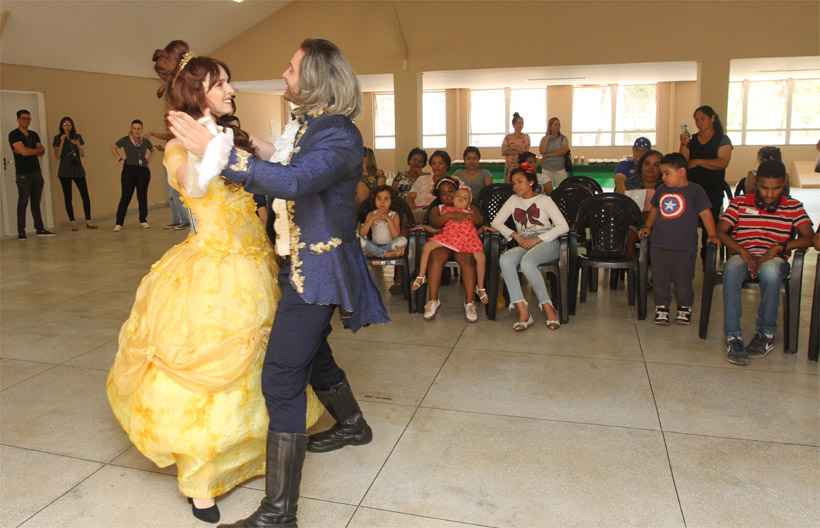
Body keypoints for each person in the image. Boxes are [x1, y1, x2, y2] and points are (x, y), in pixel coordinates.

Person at [168, 38, 389, 528]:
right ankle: (353, 423)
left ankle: (278, 514)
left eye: (290, 68)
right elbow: (287, 159)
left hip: (319, 272)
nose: (282, 74)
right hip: (295, 264)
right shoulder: (312, 126)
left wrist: (219, 153)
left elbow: (294, 181)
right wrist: (246, 145)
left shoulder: (339, 136)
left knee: (280, 376)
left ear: (313, 78)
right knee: (313, 353)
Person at [108, 41, 327, 525]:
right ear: (198, 92)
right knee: (207, 374)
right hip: (211, 274)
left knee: (257, 372)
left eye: (229, 80)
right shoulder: (181, 143)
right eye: (221, 82)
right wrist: (210, 148)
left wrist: (238, 143)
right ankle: (201, 481)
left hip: (254, 266)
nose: (231, 89)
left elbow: (275, 168)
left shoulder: (232, 135)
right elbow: (193, 183)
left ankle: (250, 456)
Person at [718, 160, 814, 366]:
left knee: (770, 272)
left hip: (774, 259)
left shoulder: (793, 206)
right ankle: (733, 337)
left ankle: (766, 334)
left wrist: (780, 247)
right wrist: (742, 251)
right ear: (755, 183)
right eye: (764, 188)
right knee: (732, 267)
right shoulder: (740, 203)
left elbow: (809, 237)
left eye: (776, 188)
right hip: (743, 256)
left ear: (784, 184)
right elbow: (721, 231)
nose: (770, 194)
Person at [638, 153, 717, 325]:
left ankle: (684, 307)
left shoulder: (696, 191)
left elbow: (705, 213)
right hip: (659, 245)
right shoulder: (661, 190)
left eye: (667, 173)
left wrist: (712, 234)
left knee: (684, 279)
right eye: (662, 174)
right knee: (660, 278)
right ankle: (662, 307)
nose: (663, 177)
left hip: (684, 246)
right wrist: (648, 227)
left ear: (681, 171)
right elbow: (655, 210)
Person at [492, 168, 568, 331]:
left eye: (520, 182)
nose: (516, 186)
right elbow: (496, 222)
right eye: (513, 183)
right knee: (505, 260)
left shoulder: (544, 200)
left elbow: (564, 226)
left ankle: (548, 307)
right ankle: (523, 311)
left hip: (548, 243)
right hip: (525, 243)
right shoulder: (513, 200)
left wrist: (537, 239)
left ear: (531, 182)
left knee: (527, 262)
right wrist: (517, 237)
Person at [420, 177, 483, 322]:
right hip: (444, 242)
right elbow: (434, 221)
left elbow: (479, 221)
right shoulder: (438, 208)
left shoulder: (470, 206)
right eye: (443, 193)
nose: (447, 196)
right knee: (436, 258)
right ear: (438, 196)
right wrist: (450, 215)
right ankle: (433, 300)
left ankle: (469, 302)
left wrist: (468, 214)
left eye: (451, 192)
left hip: (464, 244)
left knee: (467, 262)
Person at [412, 187, 488, 305]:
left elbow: (476, 225)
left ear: (469, 202)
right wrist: (425, 227)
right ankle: (421, 276)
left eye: (465, 198)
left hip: (467, 240)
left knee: (481, 258)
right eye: (458, 197)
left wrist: (481, 226)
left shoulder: (471, 212)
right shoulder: (447, 210)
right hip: (449, 238)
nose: (461, 200)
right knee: (427, 247)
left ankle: (481, 288)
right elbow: (436, 227)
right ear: (453, 199)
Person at [680, 105, 733, 259]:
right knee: (687, 225)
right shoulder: (692, 139)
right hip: (691, 188)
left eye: (702, 118)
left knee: (709, 227)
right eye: (696, 119)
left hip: (712, 189)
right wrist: (684, 144)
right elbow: (683, 162)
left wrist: (698, 162)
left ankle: (707, 262)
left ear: (712, 118)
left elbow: (722, 162)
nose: (699, 122)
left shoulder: (722, 139)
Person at [8, 109, 55, 239]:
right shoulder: (14, 134)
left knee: (36, 202)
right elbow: (24, 152)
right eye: (24, 118)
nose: (26, 121)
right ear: (18, 120)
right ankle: (21, 232)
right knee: (23, 201)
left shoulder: (34, 134)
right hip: (23, 174)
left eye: (28, 118)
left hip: (36, 172)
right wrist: (32, 150)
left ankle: (39, 229)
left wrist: (28, 150)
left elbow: (42, 150)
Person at [52, 117, 97, 230]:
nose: (67, 126)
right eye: (65, 124)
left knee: (85, 195)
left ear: (72, 126)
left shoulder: (77, 136)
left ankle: (88, 221)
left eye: (69, 124)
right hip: (64, 171)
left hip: (78, 170)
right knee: (68, 197)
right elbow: (57, 156)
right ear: (61, 126)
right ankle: (73, 222)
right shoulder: (57, 138)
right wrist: (62, 141)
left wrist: (77, 144)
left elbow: (82, 154)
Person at [113, 119, 154, 230]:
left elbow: (152, 149)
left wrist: (148, 158)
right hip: (129, 170)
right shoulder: (125, 140)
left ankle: (143, 220)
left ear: (141, 129)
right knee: (126, 196)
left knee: (142, 196)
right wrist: (120, 157)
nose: (136, 130)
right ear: (131, 129)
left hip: (143, 171)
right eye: (134, 128)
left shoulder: (145, 141)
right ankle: (119, 223)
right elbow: (114, 147)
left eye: (139, 128)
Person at [150, 131, 191, 230]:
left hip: (178, 169)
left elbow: (168, 136)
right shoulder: (174, 141)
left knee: (176, 195)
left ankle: (185, 221)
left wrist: (153, 133)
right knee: (171, 197)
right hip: (170, 167)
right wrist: (163, 149)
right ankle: (176, 220)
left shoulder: (180, 134)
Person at [359, 186, 408, 258]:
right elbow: (362, 233)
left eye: (386, 199)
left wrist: (388, 219)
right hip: (373, 245)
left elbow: (396, 236)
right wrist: (372, 219)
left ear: (391, 201)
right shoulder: (371, 214)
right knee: (359, 240)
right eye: (379, 198)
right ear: (374, 200)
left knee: (403, 240)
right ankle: (385, 254)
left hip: (389, 246)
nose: (382, 202)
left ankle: (377, 253)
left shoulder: (394, 215)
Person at [408, 150, 454, 224]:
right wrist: (412, 209)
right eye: (434, 163)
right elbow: (410, 197)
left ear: (447, 165)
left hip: (442, 215)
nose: (437, 166)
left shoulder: (454, 181)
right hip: (419, 213)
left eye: (440, 163)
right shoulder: (422, 179)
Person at [623, 149, 662, 213]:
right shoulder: (627, 185)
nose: (650, 169)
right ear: (641, 166)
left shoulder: (667, 188)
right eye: (647, 164)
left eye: (656, 165)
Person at [538, 117, 570, 193]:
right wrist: (548, 138)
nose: (558, 126)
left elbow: (563, 151)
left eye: (559, 125)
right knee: (547, 192)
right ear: (550, 126)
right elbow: (542, 151)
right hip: (547, 169)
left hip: (560, 169)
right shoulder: (544, 138)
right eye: (555, 124)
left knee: (562, 191)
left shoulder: (563, 138)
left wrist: (548, 155)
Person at [501, 112, 531, 182]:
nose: (520, 125)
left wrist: (512, 148)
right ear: (513, 124)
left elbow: (525, 152)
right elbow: (504, 151)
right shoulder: (508, 137)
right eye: (518, 123)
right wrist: (518, 150)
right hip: (510, 167)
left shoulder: (526, 137)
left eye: (522, 123)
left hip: (522, 167)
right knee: (509, 187)